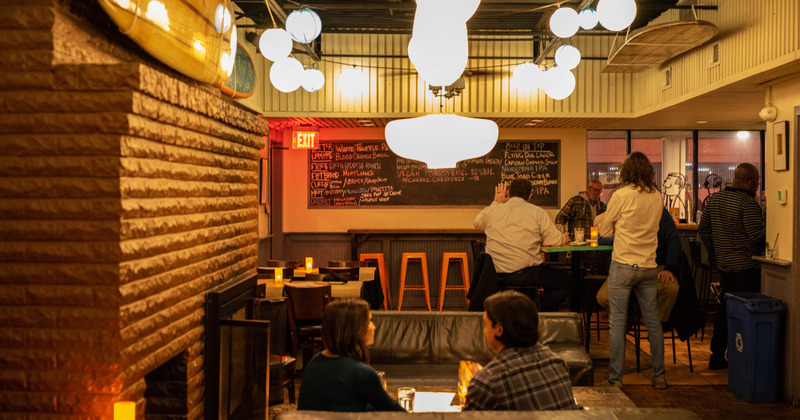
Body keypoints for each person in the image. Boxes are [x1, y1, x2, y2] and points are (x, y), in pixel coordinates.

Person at [595, 152, 666, 389]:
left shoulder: (620, 195)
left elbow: (605, 229)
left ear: (627, 171)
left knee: (617, 323)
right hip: (649, 265)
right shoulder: (657, 196)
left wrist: (607, 220)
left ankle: (616, 379)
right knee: (653, 322)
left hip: (624, 264)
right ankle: (659, 376)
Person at [698, 163, 765, 370]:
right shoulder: (747, 204)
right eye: (756, 181)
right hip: (747, 267)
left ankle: (717, 354)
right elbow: (756, 238)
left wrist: (716, 254)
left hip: (725, 266)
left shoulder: (715, 200)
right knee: (746, 315)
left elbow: (703, 230)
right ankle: (742, 355)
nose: (757, 186)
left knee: (725, 311)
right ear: (747, 180)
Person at [463, 290, 577, 411]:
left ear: (499, 329)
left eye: (485, 325)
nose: (484, 331)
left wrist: (480, 380)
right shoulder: (557, 364)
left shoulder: (488, 382)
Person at [473, 179, 573, 312]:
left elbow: (477, 223)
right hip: (527, 275)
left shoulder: (493, 210)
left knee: (550, 277)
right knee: (568, 283)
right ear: (530, 195)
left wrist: (496, 202)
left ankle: (524, 309)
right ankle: (535, 310)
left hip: (495, 276)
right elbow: (553, 239)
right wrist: (563, 237)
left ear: (509, 193)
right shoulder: (537, 212)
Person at [297, 298, 405, 412]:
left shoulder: (314, 363)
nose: (374, 326)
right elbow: (397, 413)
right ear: (355, 328)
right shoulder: (362, 373)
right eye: (369, 321)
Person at [596, 207, 681, 323]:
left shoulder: (660, 212)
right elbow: (606, 238)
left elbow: (674, 241)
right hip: (628, 266)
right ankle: (628, 316)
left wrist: (669, 268)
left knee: (671, 289)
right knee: (603, 297)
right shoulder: (627, 212)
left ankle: (658, 325)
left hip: (656, 267)